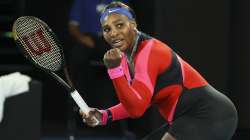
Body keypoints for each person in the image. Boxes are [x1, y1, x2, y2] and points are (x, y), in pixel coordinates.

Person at [79, 2, 238, 140]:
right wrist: (105, 115)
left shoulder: (151, 52)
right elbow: (136, 101)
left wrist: (114, 71)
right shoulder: (126, 58)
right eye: (107, 29)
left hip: (210, 115)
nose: (113, 33)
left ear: (133, 25)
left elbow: (136, 109)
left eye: (120, 25)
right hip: (186, 118)